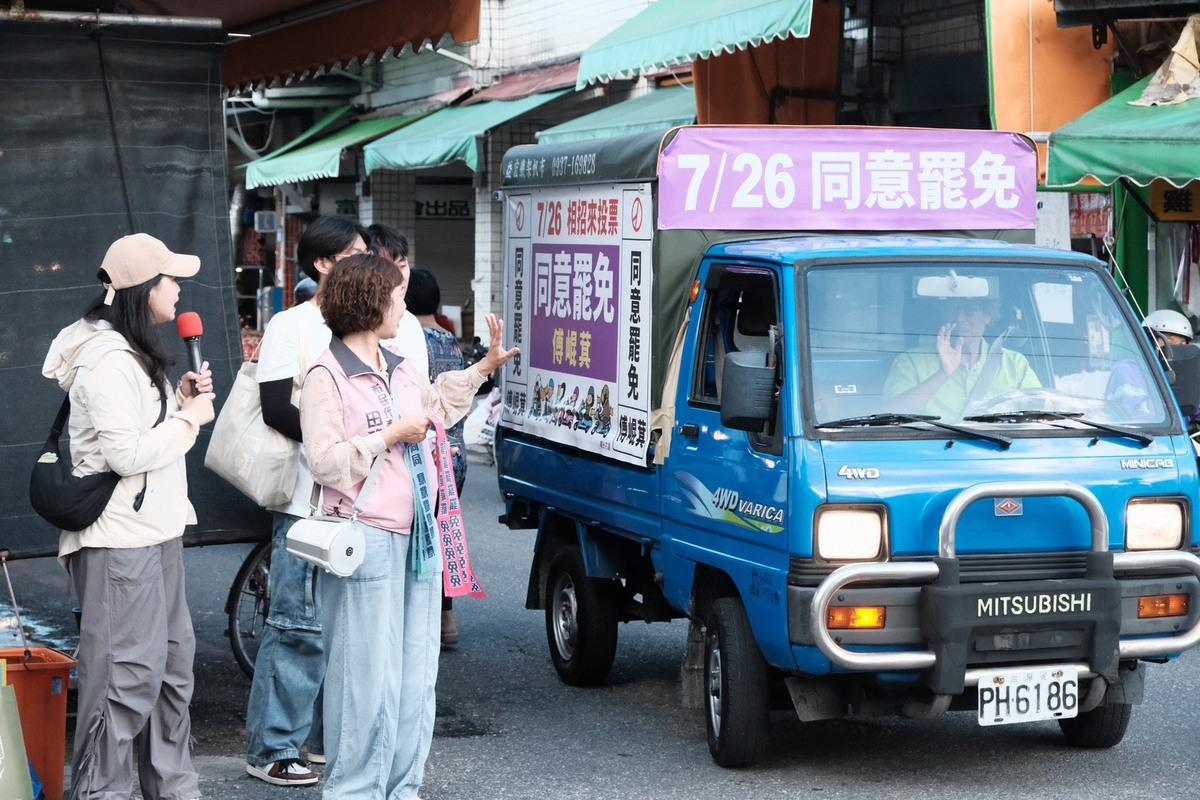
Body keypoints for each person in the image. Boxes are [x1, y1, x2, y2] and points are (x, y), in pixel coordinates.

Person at [299, 254, 517, 800]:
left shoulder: (399, 365)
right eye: (396, 296)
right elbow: (325, 462)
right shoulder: (327, 373)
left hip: (419, 534)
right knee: (363, 680)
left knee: (416, 676)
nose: (404, 304)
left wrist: (483, 368)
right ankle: (354, 792)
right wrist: (388, 435)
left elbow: (436, 408)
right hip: (365, 535)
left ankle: (402, 789)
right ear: (370, 302)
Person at [41, 233, 216, 800]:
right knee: (123, 679)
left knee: (170, 671)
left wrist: (179, 399)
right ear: (144, 289)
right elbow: (126, 454)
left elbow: (143, 433)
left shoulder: (133, 348)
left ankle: (174, 788)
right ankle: (101, 792)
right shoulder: (109, 360)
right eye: (171, 279)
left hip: (155, 531)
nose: (181, 288)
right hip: (120, 541)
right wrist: (189, 419)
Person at [244, 215, 368, 787]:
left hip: (356, 499)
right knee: (295, 622)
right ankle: (272, 746)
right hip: (301, 496)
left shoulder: (366, 325)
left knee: (340, 624)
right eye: (356, 253)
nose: (370, 261)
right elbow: (273, 407)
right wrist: (334, 443)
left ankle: (315, 739)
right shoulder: (291, 326)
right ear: (323, 263)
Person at [407, 268, 468, 646]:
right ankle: (447, 620)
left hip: (429, 452)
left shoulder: (412, 341)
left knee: (421, 536)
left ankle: (425, 621)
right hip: (456, 457)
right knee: (443, 532)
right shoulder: (451, 342)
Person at [884, 297, 1040, 418]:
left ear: (988, 315)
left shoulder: (1014, 364)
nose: (959, 318)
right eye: (952, 310)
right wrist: (943, 373)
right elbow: (892, 416)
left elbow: (1041, 411)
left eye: (969, 311)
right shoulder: (911, 361)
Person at [368, 223, 429, 381]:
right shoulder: (349, 322)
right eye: (387, 269)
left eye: (402, 266)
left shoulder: (410, 323)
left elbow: (422, 389)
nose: (399, 278)